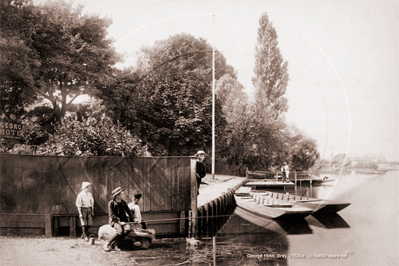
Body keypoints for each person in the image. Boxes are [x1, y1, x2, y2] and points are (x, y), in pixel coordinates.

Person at [104, 187, 135, 252]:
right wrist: (119, 222)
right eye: (121, 194)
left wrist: (134, 219)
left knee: (127, 230)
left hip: (124, 221)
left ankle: (116, 244)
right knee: (120, 231)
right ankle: (107, 243)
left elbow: (128, 211)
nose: (123, 195)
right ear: (117, 195)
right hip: (115, 221)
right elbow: (111, 215)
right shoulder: (111, 203)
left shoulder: (123, 202)